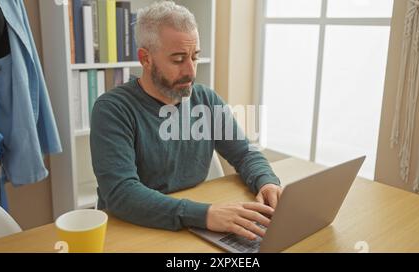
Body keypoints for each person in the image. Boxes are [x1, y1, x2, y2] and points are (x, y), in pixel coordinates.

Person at [90, 1, 281, 241]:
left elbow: (244, 153)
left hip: (190, 226)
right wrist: (205, 215)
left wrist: (267, 182)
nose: (191, 71)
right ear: (145, 59)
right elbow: (121, 193)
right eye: (178, 59)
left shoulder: (206, 99)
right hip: (133, 229)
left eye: (195, 57)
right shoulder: (113, 109)